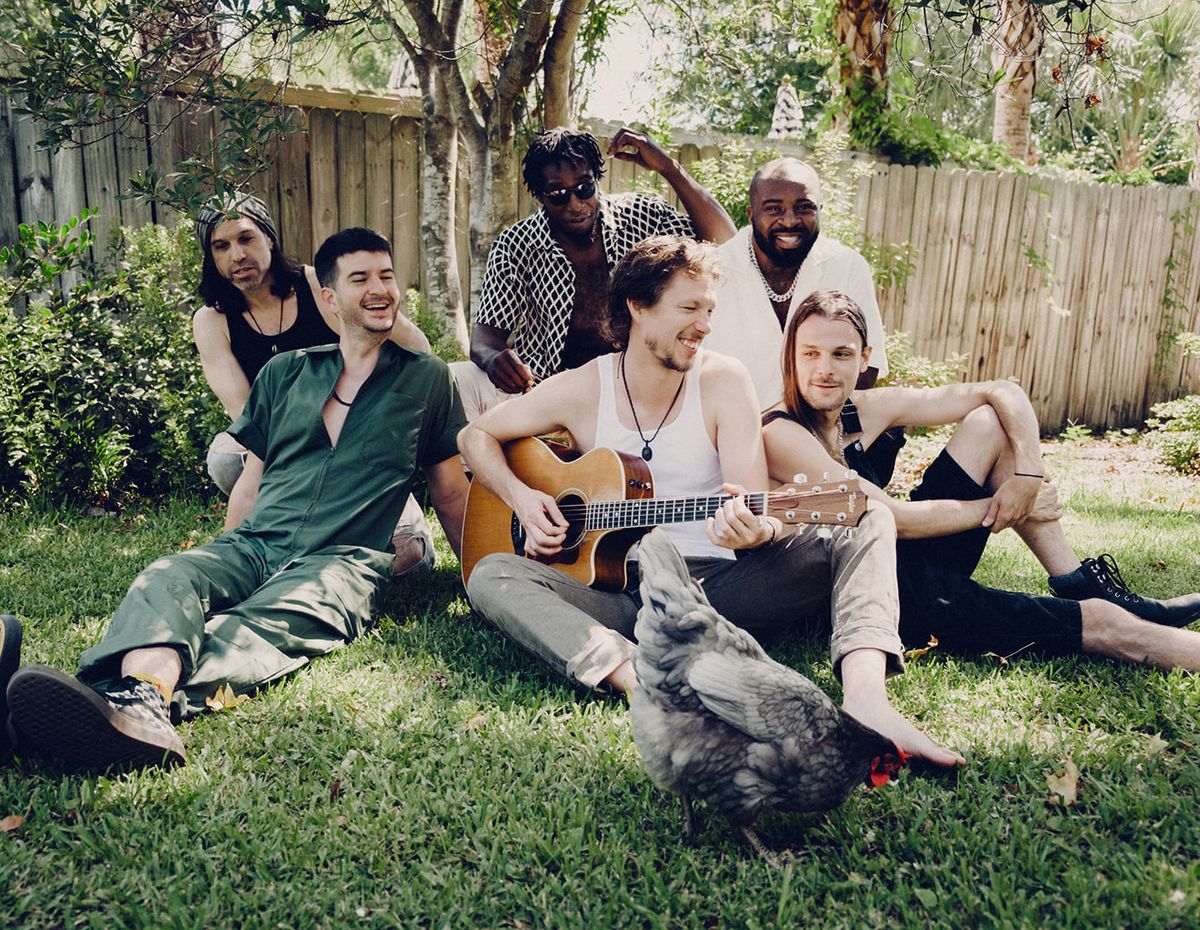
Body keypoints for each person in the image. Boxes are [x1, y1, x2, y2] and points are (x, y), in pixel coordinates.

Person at [459, 235, 963, 768]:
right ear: (638, 305)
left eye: (710, 310)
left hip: (715, 589)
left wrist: (759, 530)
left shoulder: (723, 380)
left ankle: (867, 699)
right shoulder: (585, 387)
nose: (704, 324)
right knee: (491, 574)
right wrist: (523, 498)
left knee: (868, 512)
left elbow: (755, 504)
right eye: (689, 308)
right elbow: (475, 436)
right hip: (615, 595)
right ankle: (642, 680)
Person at [4, 227, 470, 770]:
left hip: (341, 564)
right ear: (328, 297)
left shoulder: (426, 380)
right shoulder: (285, 373)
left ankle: (103, 706)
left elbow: (450, 492)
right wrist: (224, 560)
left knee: (257, 626)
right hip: (258, 542)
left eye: (386, 276)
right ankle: (135, 703)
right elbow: (252, 477)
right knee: (169, 577)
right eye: (360, 278)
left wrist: (477, 577)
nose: (379, 289)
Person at [761, 289, 1200, 666]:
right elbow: (895, 518)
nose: (825, 369)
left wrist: (1027, 477)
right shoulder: (781, 433)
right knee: (1105, 627)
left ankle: (1077, 582)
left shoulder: (860, 409)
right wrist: (1005, 506)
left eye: (840, 354)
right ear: (790, 356)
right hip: (874, 594)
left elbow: (1001, 390)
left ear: (864, 358)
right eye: (811, 353)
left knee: (990, 421)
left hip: (904, 561)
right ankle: (1112, 615)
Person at [192, 193, 435, 574]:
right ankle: (286, 529)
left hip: (362, 442)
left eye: (246, 238)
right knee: (225, 457)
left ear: (269, 237)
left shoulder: (316, 286)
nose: (237, 255)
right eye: (221, 246)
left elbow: (417, 347)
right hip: (282, 448)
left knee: (408, 559)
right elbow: (244, 414)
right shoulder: (212, 321)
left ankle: (376, 522)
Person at [450, 127, 736, 420]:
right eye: (558, 195)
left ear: (596, 180)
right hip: (547, 392)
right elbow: (484, 339)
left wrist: (668, 167)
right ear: (540, 196)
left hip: (634, 394)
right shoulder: (516, 245)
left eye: (585, 188)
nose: (575, 204)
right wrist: (495, 360)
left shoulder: (640, 216)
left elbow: (727, 242)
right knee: (456, 377)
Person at [703, 157, 904, 485]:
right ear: (751, 213)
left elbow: (866, 371)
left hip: (825, 445)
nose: (789, 220)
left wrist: (821, 442)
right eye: (774, 208)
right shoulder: (715, 270)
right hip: (731, 456)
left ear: (819, 209)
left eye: (804, 207)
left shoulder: (847, 265)